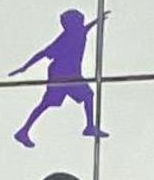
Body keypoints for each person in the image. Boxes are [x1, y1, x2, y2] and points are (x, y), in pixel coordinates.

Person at [10, 9, 102, 146]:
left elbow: (86, 28)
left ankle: (89, 127)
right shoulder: (65, 38)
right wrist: (25, 67)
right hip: (61, 75)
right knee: (47, 104)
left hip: (72, 74)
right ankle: (23, 132)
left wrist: (98, 21)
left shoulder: (79, 32)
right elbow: (43, 53)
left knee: (87, 96)